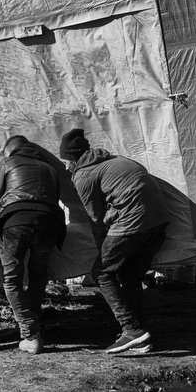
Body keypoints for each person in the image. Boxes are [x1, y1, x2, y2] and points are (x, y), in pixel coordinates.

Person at [60, 128, 168, 355]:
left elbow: (96, 220)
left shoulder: (83, 175)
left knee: (102, 272)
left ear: (74, 158)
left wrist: (103, 251)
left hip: (132, 224)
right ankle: (140, 334)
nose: (66, 166)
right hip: (160, 222)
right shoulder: (117, 160)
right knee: (130, 275)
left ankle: (131, 329)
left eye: (67, 161)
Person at [0, 135, 66, 354]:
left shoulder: (7, 163)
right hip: (49, 222)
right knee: (38, 274)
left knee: (12, 277)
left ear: (10, 150)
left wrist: (1, 219)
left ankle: (29, 333)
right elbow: (55, 198)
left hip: (15, 221)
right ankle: (32, 322)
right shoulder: (50, 167)